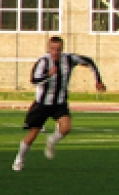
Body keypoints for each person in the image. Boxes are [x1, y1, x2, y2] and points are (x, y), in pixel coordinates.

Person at [13, 36, 106, 172]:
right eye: (53, 49)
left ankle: (51, 141)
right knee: (33, 134)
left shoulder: (69, 59)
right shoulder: (43, 62)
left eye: (58, 49)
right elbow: (34, 80)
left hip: (59, 103)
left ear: (62, 49)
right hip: (42, 104)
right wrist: (48, 75)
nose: (55, 52)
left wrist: (98, 80)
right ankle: (19, 159)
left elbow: (89, 61)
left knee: (66, 127)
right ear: (48, 49)